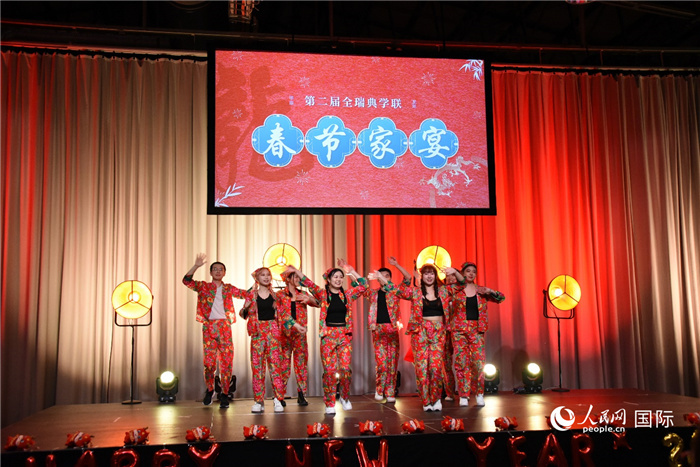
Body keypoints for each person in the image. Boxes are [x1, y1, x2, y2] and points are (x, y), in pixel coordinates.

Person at [376, 260, 464, 412]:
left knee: (435, 368)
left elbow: (462, 284)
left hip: (438, 331)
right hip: (420, 331)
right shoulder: (415, 292)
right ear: (421, 276)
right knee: (422, 368)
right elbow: (395, 289)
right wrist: (381, 278)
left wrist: (455, 272)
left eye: (432, 273)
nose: (429, 276)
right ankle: (426, 400)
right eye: (426, 274)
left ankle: (436, 398)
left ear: (435, 276)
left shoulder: (444, 291)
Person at [285, 259, 367, 415]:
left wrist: (350, 271)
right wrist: (296, 270)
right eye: (335, 277)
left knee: (345, 370)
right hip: (328, 336)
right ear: (328, 280)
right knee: (329, 372)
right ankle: (329, 403)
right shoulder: (322, 294)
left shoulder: (347, 295)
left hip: (344, 335)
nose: (338, 279)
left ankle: (344, 397)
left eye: (341, 277)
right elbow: (308, 283)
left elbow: (364, 285)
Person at [182, 253, 249, 409]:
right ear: (211, 272)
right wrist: (196, 266)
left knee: (226, 362)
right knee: (209, 363)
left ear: (224, 273)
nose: (218, 272)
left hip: (224, 327)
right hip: (209, 327)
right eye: (215, 269)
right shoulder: (203, 287)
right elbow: (186, 281)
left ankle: (224, 393)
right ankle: (210, 389)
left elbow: (246, 294)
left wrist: (258, 283)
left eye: (221, 269)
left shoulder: (228, 288)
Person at [448, 261, 505, 407]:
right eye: (468, 271)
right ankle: (463, 394)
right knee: (461, 362)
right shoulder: (455, 289)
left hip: (476, 330)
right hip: (459, 331)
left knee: (478, 363)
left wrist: (490, 290)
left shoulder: (481, 290)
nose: (471, 274)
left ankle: (479, 393)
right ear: (462, 273)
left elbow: (501, 298)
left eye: (474, 271)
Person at [355, 257, 410, 403]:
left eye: (386, 276)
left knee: (392, 363)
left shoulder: (395, 291)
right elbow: (360, 285)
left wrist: (396, 264)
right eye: (381, 276)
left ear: (390, 278)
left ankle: (390, 391)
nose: (384, 278)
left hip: (392, 330)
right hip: (378, 330)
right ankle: (380, 389)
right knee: (382, 363)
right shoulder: (373, 293)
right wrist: (351, 271)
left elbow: (408, 278)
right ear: (377, 279)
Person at [239, 267, 289, 413]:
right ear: (257, 278)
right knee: (257, 368)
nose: (266, 277)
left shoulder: (276, 295)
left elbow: (284, 315)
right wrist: (246, 307)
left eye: (268, 275)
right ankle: (258, 401)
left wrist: (295, 325)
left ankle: (278, 399)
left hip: (273, 333)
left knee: (276, 367)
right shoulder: (251, 295)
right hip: (257, 333)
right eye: (263, 275)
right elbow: (243, 314)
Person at [278, 269, 318, 406]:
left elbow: (319, 303)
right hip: (284, 335)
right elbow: (279, 313)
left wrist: (309, 299)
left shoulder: (303, 294)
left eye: (298, 277)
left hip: (300, 335)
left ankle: (301, 394)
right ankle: (280, 395)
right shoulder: (279, 295)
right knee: (283, 365)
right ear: (287, 279)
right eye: (295, 277)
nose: (298, 280)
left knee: (301, 364)